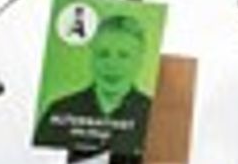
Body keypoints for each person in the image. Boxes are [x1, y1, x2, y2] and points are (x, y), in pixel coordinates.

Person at [36, 10, 155, 154]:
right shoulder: (60, 110)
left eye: (124, 56)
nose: (112, 65)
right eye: (103, 54)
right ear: (91, 58)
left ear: (139, 61)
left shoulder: (153, 115)